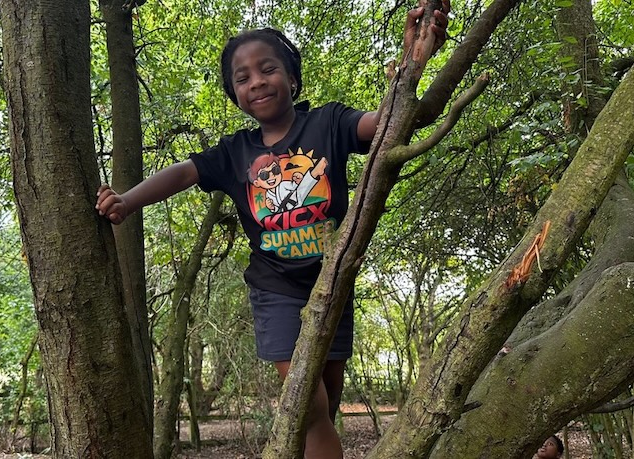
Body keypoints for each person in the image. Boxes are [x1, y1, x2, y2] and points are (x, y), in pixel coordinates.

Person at [96, 4, 449, 457]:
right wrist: (126, 200)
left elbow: (386, 124)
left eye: (268, 69)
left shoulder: (328, 123)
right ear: (234, 94)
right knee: (308, 406)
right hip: (276, 288)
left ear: (292, 77)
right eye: (242, 78)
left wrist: (412, 62)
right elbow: (182, 174)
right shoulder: (234, 152)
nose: (256, 81)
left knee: (328, 398)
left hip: (333, 282)